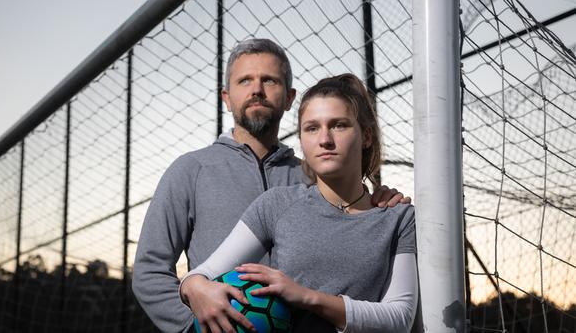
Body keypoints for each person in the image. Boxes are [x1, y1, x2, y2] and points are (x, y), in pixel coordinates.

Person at [132, 39, 410, 332]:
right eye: (245, 81)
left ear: (290, 98)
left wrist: (378, 202)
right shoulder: (191, 170)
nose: (257, 90)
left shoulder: (315, 177)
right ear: (226, 97)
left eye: (269, 80)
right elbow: (150, 271)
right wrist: (197, 325)